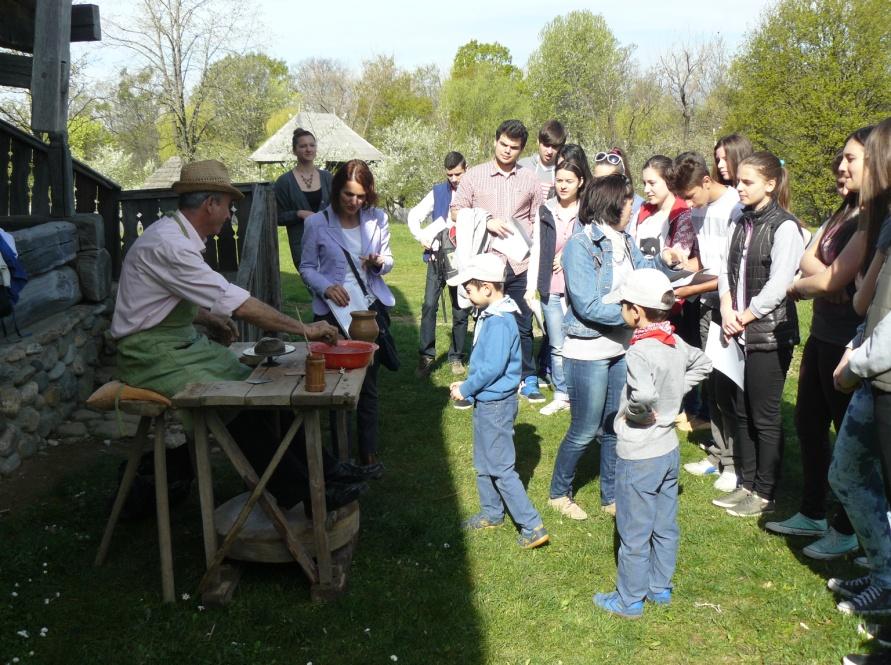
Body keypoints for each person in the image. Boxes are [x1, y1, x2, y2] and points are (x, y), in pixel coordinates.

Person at [112, 160, 376, 512]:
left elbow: (167, 296)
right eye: (228, 205)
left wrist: (207, 320)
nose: (229, 214)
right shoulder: (169, 245)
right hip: (149, 355)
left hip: (178, 342)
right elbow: (238, 303)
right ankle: (300, 491)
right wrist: (304, 328)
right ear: (210, 204)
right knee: (236, 403)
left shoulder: (174, 236)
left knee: (262, 390)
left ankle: (327, 471)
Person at [547, 174, 682, 519]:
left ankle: (610, 496)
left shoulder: (625, 240)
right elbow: (587, 305)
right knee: (584, 429)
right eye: (627, 200)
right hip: (588, 350)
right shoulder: (581, 245)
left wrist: (667, 260)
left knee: (614, 426)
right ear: (612, 203)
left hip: (621, 349)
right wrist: (636, 317)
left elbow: (646, 273)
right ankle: (559, 492)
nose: (632, 206)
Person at [767, 128, 875, 559]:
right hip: (822, 335)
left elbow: (831, 277)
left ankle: (848, 527)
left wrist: (817, 279)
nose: (840, 167)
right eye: (841, 159)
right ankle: (812, 511)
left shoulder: (874, 217)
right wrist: (822, 276)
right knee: (809, 425)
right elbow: (812, 261)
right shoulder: (843, 213)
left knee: (850, 440)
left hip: (849, 342)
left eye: (851, 159)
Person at [593, 269, 712, 618]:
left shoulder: (639, 351)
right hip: (668, 451)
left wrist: (639, 412)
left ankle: (629, 600)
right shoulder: (672, 340)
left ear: (635, 311)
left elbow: (642, 395)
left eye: (623, 306)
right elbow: (704, 363)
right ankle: (660, 587)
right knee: (664, 524)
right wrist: (674, 392)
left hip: (639, 453)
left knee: (633, 530)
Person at [714, 151, 805, 517]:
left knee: (763, 415)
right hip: (736, 330)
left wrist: (746, 316)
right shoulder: (740, 220)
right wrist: (725, 307)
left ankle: (765, 492)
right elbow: (725, 268)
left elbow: (780, 283)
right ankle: (747, 482)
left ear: (770, 184)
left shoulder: (785, 227)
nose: (739, 188)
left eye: (747, 182)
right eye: (738, 181)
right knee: (740, 410)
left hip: (768, 335)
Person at [827, 116, 891, 621]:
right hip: (871, 366)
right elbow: (864, 303)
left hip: (879, 372)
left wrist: (858, 360)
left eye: (852, 157)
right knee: (845, 471)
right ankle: (882, 570)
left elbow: (862, 295)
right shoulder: (881, 218)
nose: (842, 167)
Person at [449, 253, 549, 549]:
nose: (466, 293)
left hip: (496, 406)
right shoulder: (492, 314)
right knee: (483, 462)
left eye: (469, 288)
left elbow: (493, 367)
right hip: (486, 401)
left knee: (502, 467)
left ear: (487, 287)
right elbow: (488, 365)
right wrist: (468, 383)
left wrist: (466, 389)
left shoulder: (501, 321)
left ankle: (532, 525)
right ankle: (492, 513)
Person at [300, 159, 394, 467]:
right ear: (336, 189)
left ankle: (367, 451)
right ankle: (339, 453)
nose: (354, 202)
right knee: (332, 386)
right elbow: (307, 268)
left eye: (361, 196)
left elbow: (389, 260)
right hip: (330, 316)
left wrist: (380, 262)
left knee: (368, 384)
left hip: (368, 313)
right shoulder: (316, 223)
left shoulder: (376, 219)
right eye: (348, 195)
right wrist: (326, 286)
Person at [451, 119, 545, 403]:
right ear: (495, 141)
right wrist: (485, 221)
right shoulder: (474, 176)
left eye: (514, 148)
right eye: (503, 144)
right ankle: (480, 378)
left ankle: (527, 378)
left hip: (519, 263)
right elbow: (456, 211)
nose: (507, 151)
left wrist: (528, 240)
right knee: (486, 322)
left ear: (522, 149)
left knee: (522, 323)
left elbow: (537, 217)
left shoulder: (529, 178)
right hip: (487, 264)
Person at [673, 151, 744, 493]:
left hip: (728, 307)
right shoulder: (697, 208)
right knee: (711, 384)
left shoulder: (733, 205)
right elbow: (704, 259)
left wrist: (686, 289)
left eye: (690, 196)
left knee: (727, 387)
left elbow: (731, 270)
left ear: (706, 180)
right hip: (703, 304)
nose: (688, 204)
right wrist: (679, 266)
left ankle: (734, 462)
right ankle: (719, 454)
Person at [526, 154, 588, 416]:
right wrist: (532, 285)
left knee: (581, 341)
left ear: (580, 182)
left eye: (569, 181)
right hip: (550, 287)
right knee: (557, 344)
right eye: (559, 180)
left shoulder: (587, 211)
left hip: (579, 289)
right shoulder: (546, 209)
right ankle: (562, 394)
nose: (563, 185)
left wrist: (568, 254)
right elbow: (538, 248)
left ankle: (582, 393)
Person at [408, 151, 471, 379]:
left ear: (466, 169)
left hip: (462, 260)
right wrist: (421, 237)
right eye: (450, 175)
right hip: (436, 258)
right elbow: (414, 215)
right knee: (428, 306)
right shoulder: (437, 192)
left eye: (458, 174)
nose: (454, 179)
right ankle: (426, 356)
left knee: (460, 308)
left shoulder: (474, 191)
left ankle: (456, 357)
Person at [274, 128, 333, 269]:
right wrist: (299, 214)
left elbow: (338, 209)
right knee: (316, 287)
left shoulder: (327, 178)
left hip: (331, 242)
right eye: (303, 146)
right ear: (294, 151)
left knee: (336, 285)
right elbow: (277, 217)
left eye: (312, 145)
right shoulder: (285, 182)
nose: (308, 149)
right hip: (302, 246)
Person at [629, 155, 695, 260]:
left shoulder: (683, 215)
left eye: (652, 183)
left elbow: (677, 258)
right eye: (644, 183)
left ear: (668, 180)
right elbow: (630, 248)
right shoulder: (642, 211)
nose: (646, 189)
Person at [519, 119, 566, 201]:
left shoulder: (566, 170)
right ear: (538, 142)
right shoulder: (522, 166)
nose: (549, 151)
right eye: (546, 145)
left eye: (554, 147)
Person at [591, 147, 644, 220]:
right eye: (596, 180)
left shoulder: (638, 207)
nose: (599, 185)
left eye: (606, 181)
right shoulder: (588, 202)